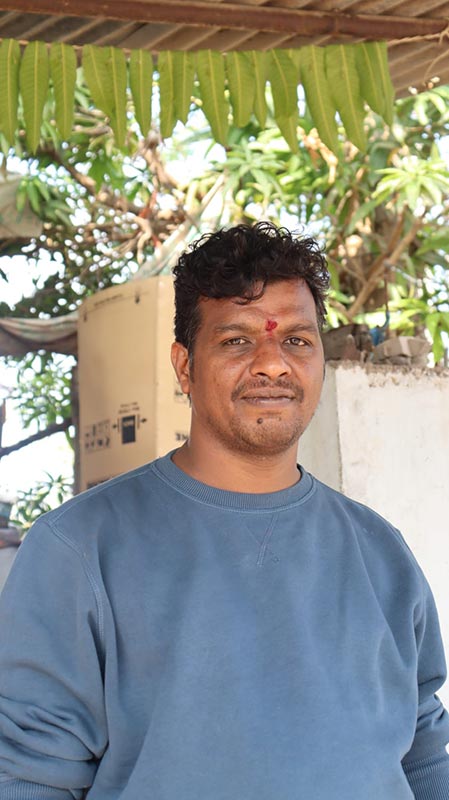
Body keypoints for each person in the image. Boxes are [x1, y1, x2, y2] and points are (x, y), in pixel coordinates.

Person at [0, 221, 448, 799]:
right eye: (237, 340)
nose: (272, 364)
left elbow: (422, 752)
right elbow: (29, 777)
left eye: (297, 341)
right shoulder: (80, 549)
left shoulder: (379, 551)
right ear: (184, 366)